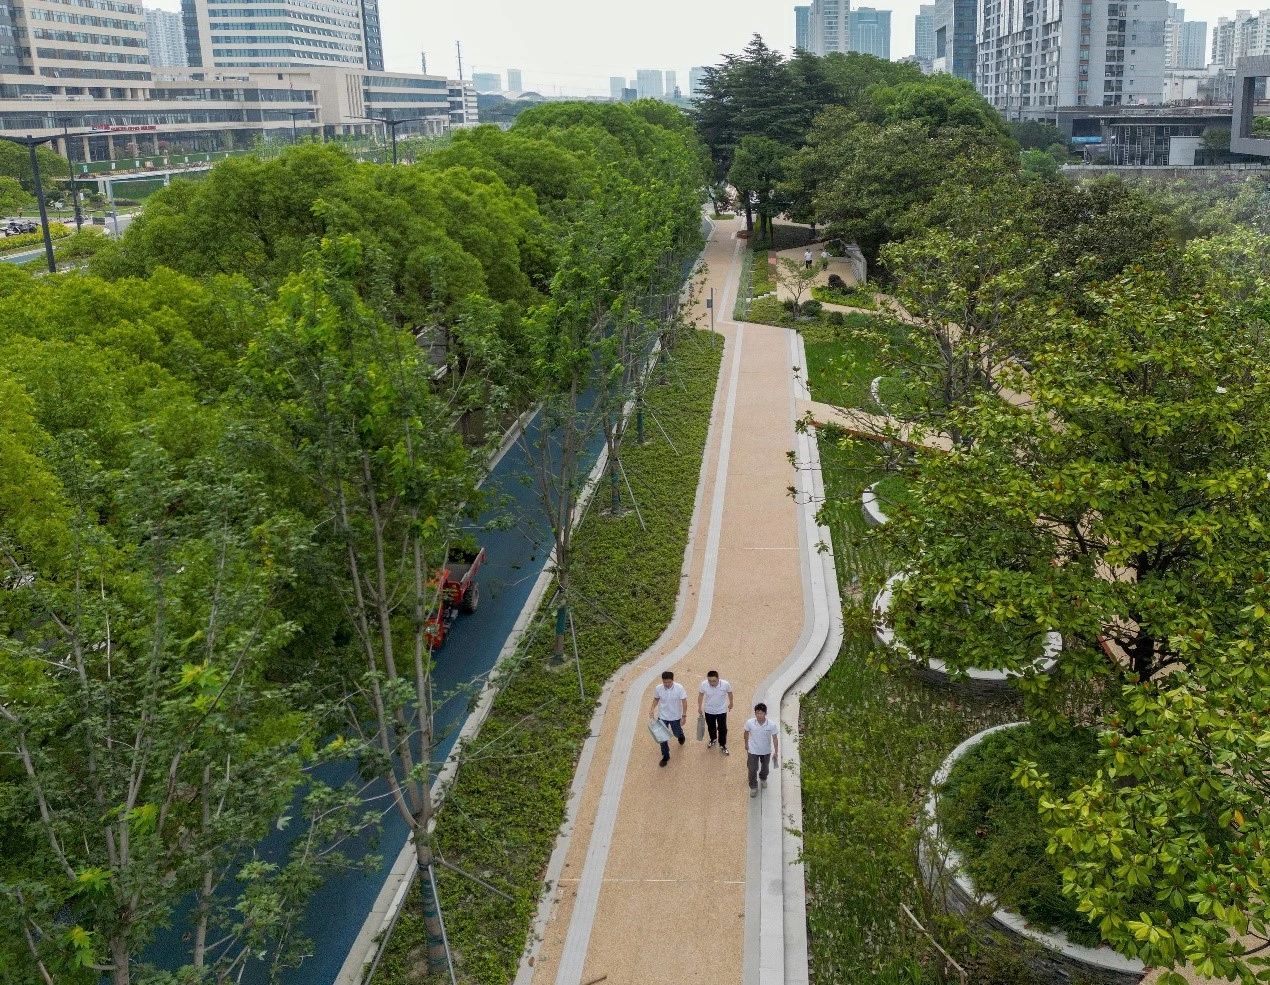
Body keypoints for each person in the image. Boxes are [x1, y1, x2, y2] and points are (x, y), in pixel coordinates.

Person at [650, 670, 687, 767]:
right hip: (662, 716)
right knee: (662, 737)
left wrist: (684, 715)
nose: (666, 684)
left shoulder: (679, 688)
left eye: (669, 682)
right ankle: (665, 756)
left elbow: (684, 702)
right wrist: (652, 709)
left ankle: (681, 736)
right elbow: (656, 699)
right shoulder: (658, 688)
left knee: (676, 733)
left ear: (672, 680)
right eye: (664, 682)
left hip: (675, 716)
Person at [743, 703, 780, 797]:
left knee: (765, 768)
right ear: (755, 713)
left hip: (766, 751)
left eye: (761, 713)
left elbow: (775, 738)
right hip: (753, 750)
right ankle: (753, 786)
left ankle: (763, 778)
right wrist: (746, 744)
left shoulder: (771, 725)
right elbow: (746, 733)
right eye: (757, 713)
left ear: (765, 713)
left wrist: (776, 751)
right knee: (752, 769)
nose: (759, 715)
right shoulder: (750, 723)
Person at [697, 670, 734, 754]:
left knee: (723, 728)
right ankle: (713, 739)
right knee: (711, 727)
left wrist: (731, 703)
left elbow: (730, 693)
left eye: (714, 681)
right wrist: (699, 707)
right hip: (709, 710)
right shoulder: (704, 684)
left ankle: (722, 744)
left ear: (718, 679)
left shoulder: (725, 684)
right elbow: (700, 695)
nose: (711, 683)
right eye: (709, 681)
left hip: (721, 710)